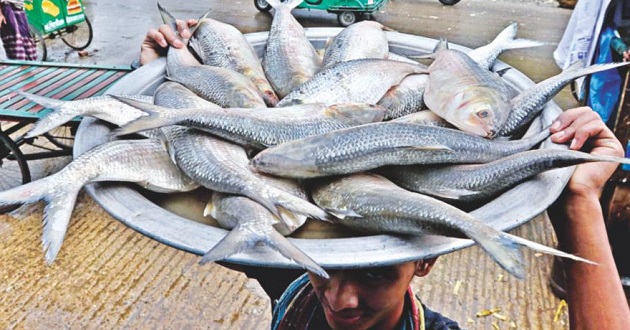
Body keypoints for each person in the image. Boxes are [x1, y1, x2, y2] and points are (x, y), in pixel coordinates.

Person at [140, 24, 630, 329]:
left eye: (375, 273)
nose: (339, 298)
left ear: (423, 262)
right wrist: (165, 74)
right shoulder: (295, 273)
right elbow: (196, 212)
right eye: (321, 271)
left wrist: (578, 202)